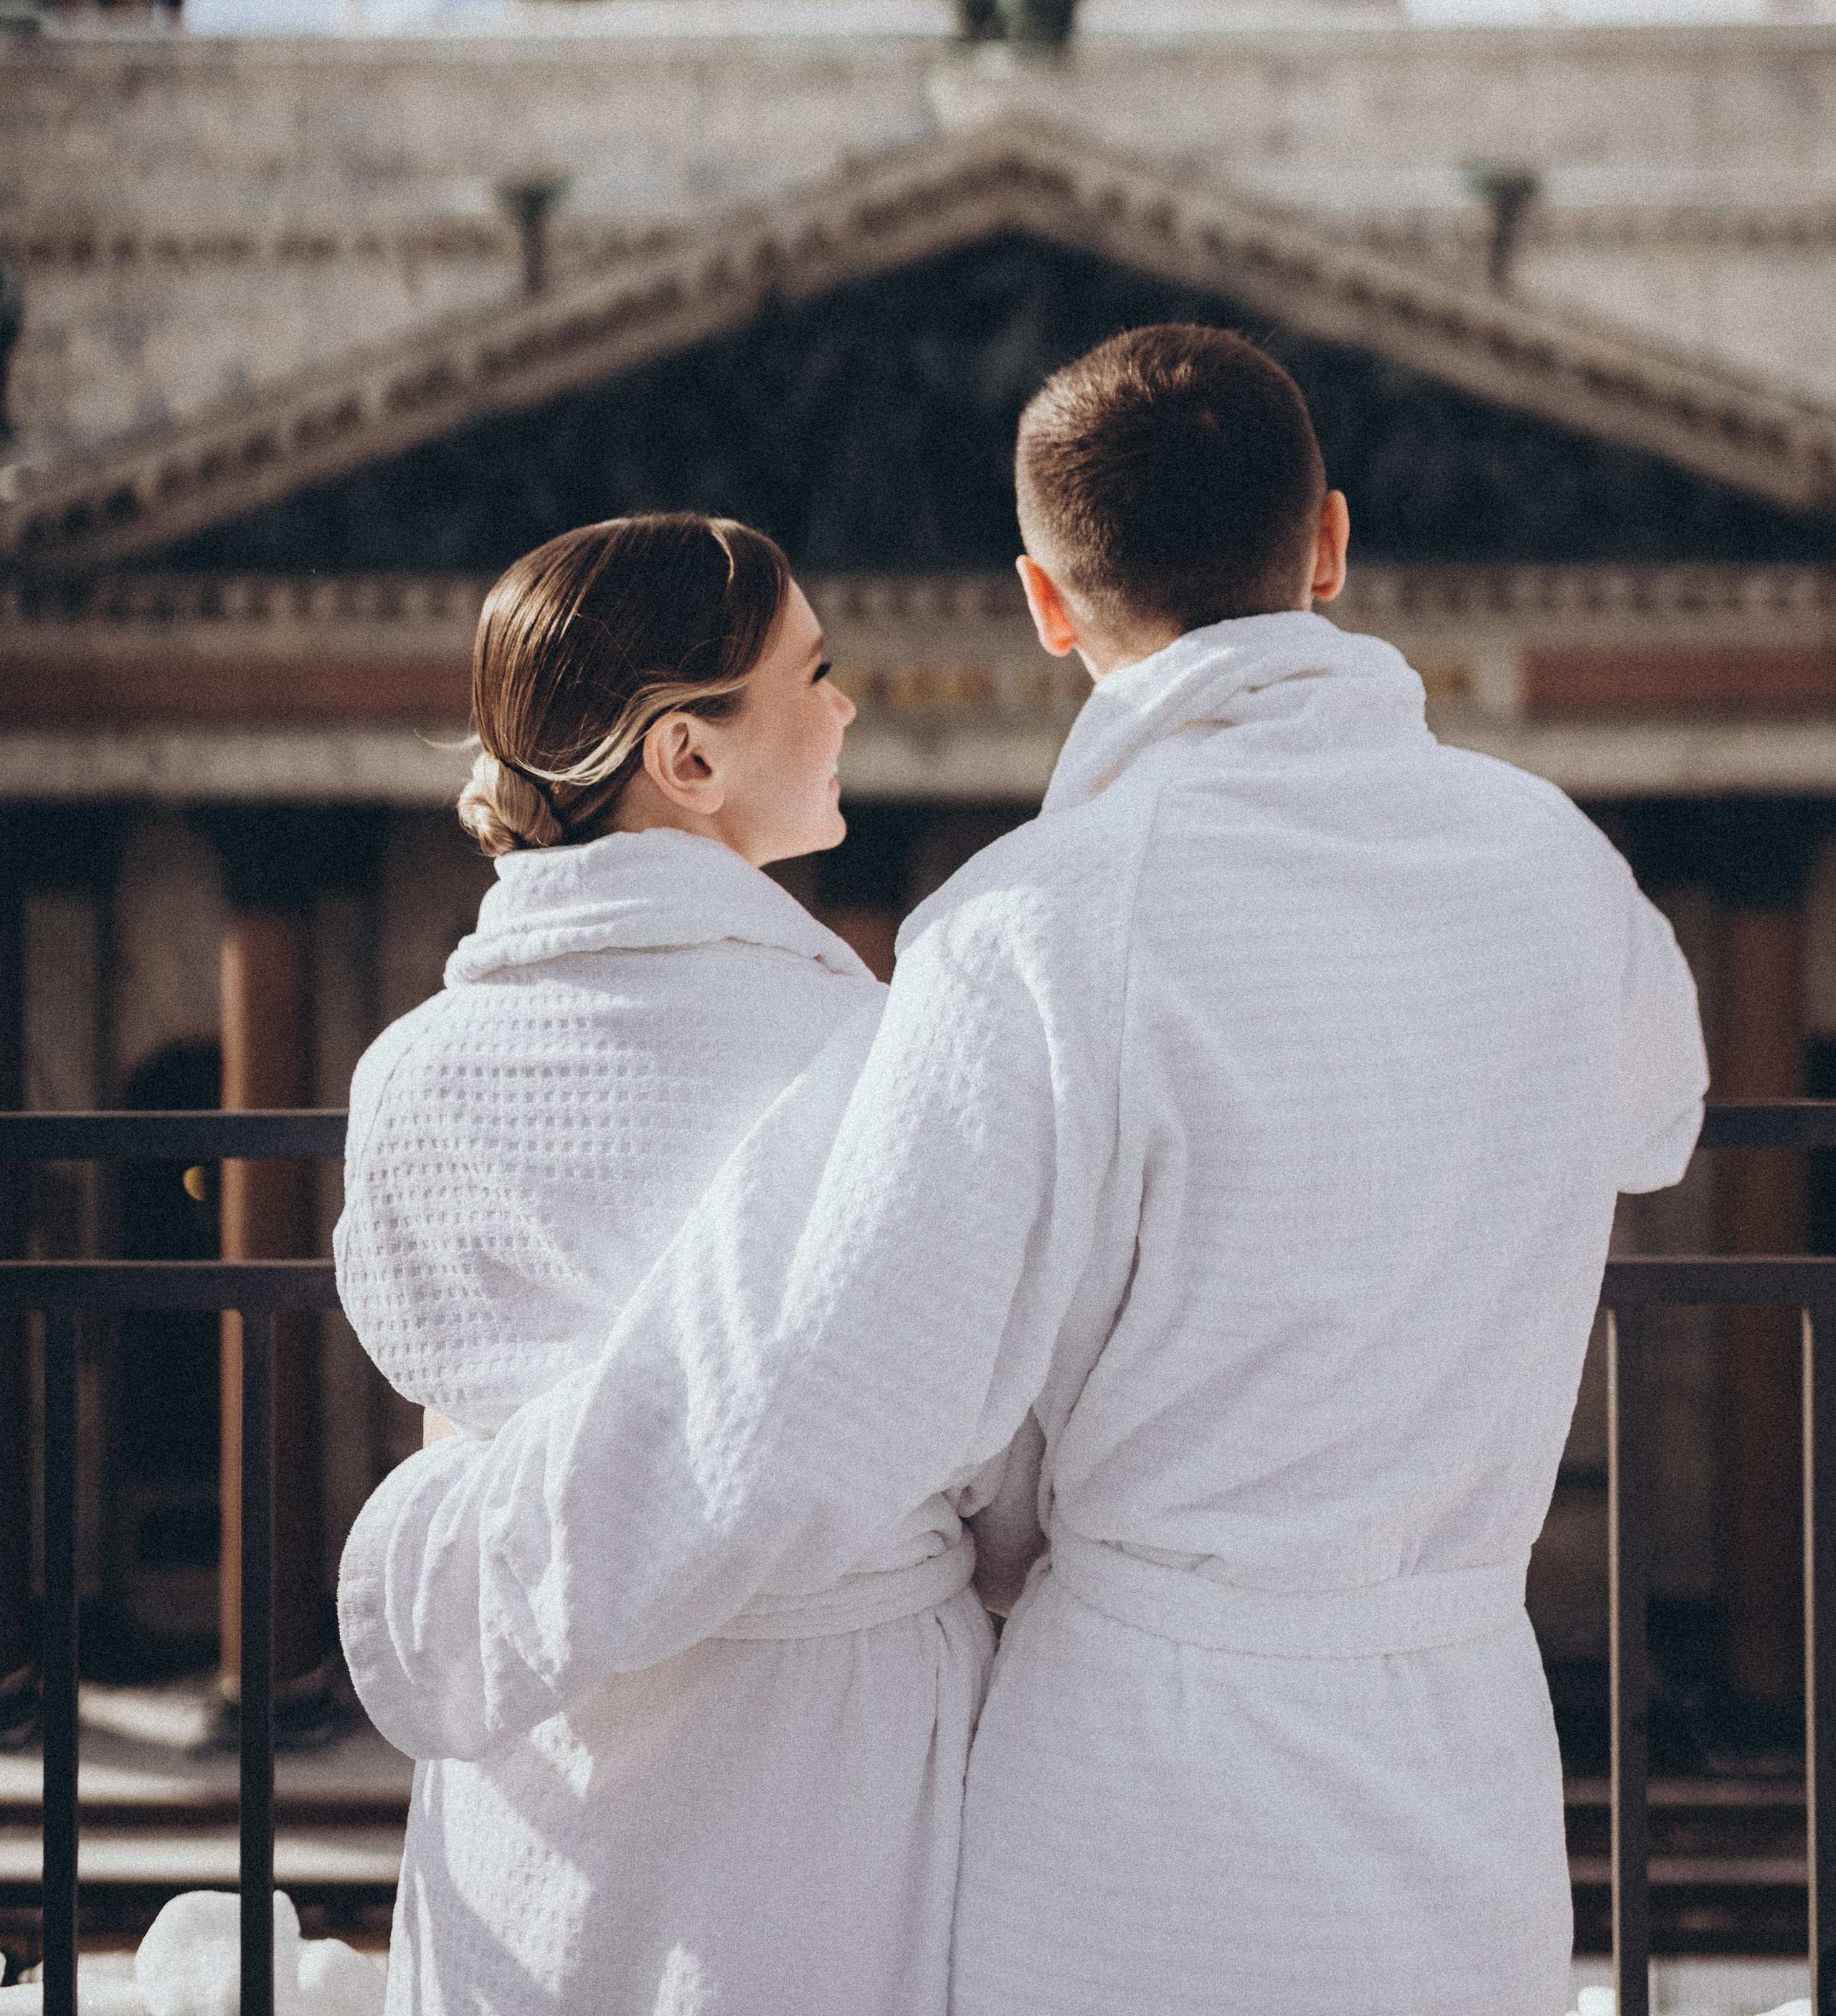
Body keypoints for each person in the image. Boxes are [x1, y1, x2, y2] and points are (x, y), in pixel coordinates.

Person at [341, 330, 1708, 2016]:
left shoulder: (1026, 928)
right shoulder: (1557, 868)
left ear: (1046, 605)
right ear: (1329, 542)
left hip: (1144, 1791)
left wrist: (441, 1584)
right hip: (1461, 1743)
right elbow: (1654, 1122)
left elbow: (830, 1380)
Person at [334, 513, 1032, 2016]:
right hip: (832, 1746)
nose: (849, 707)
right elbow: (993, 1454)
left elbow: (452, 1415)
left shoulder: (409, 1075)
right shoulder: (874, 1056)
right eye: (814, 674)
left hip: (537, 1729)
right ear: (688, 757)